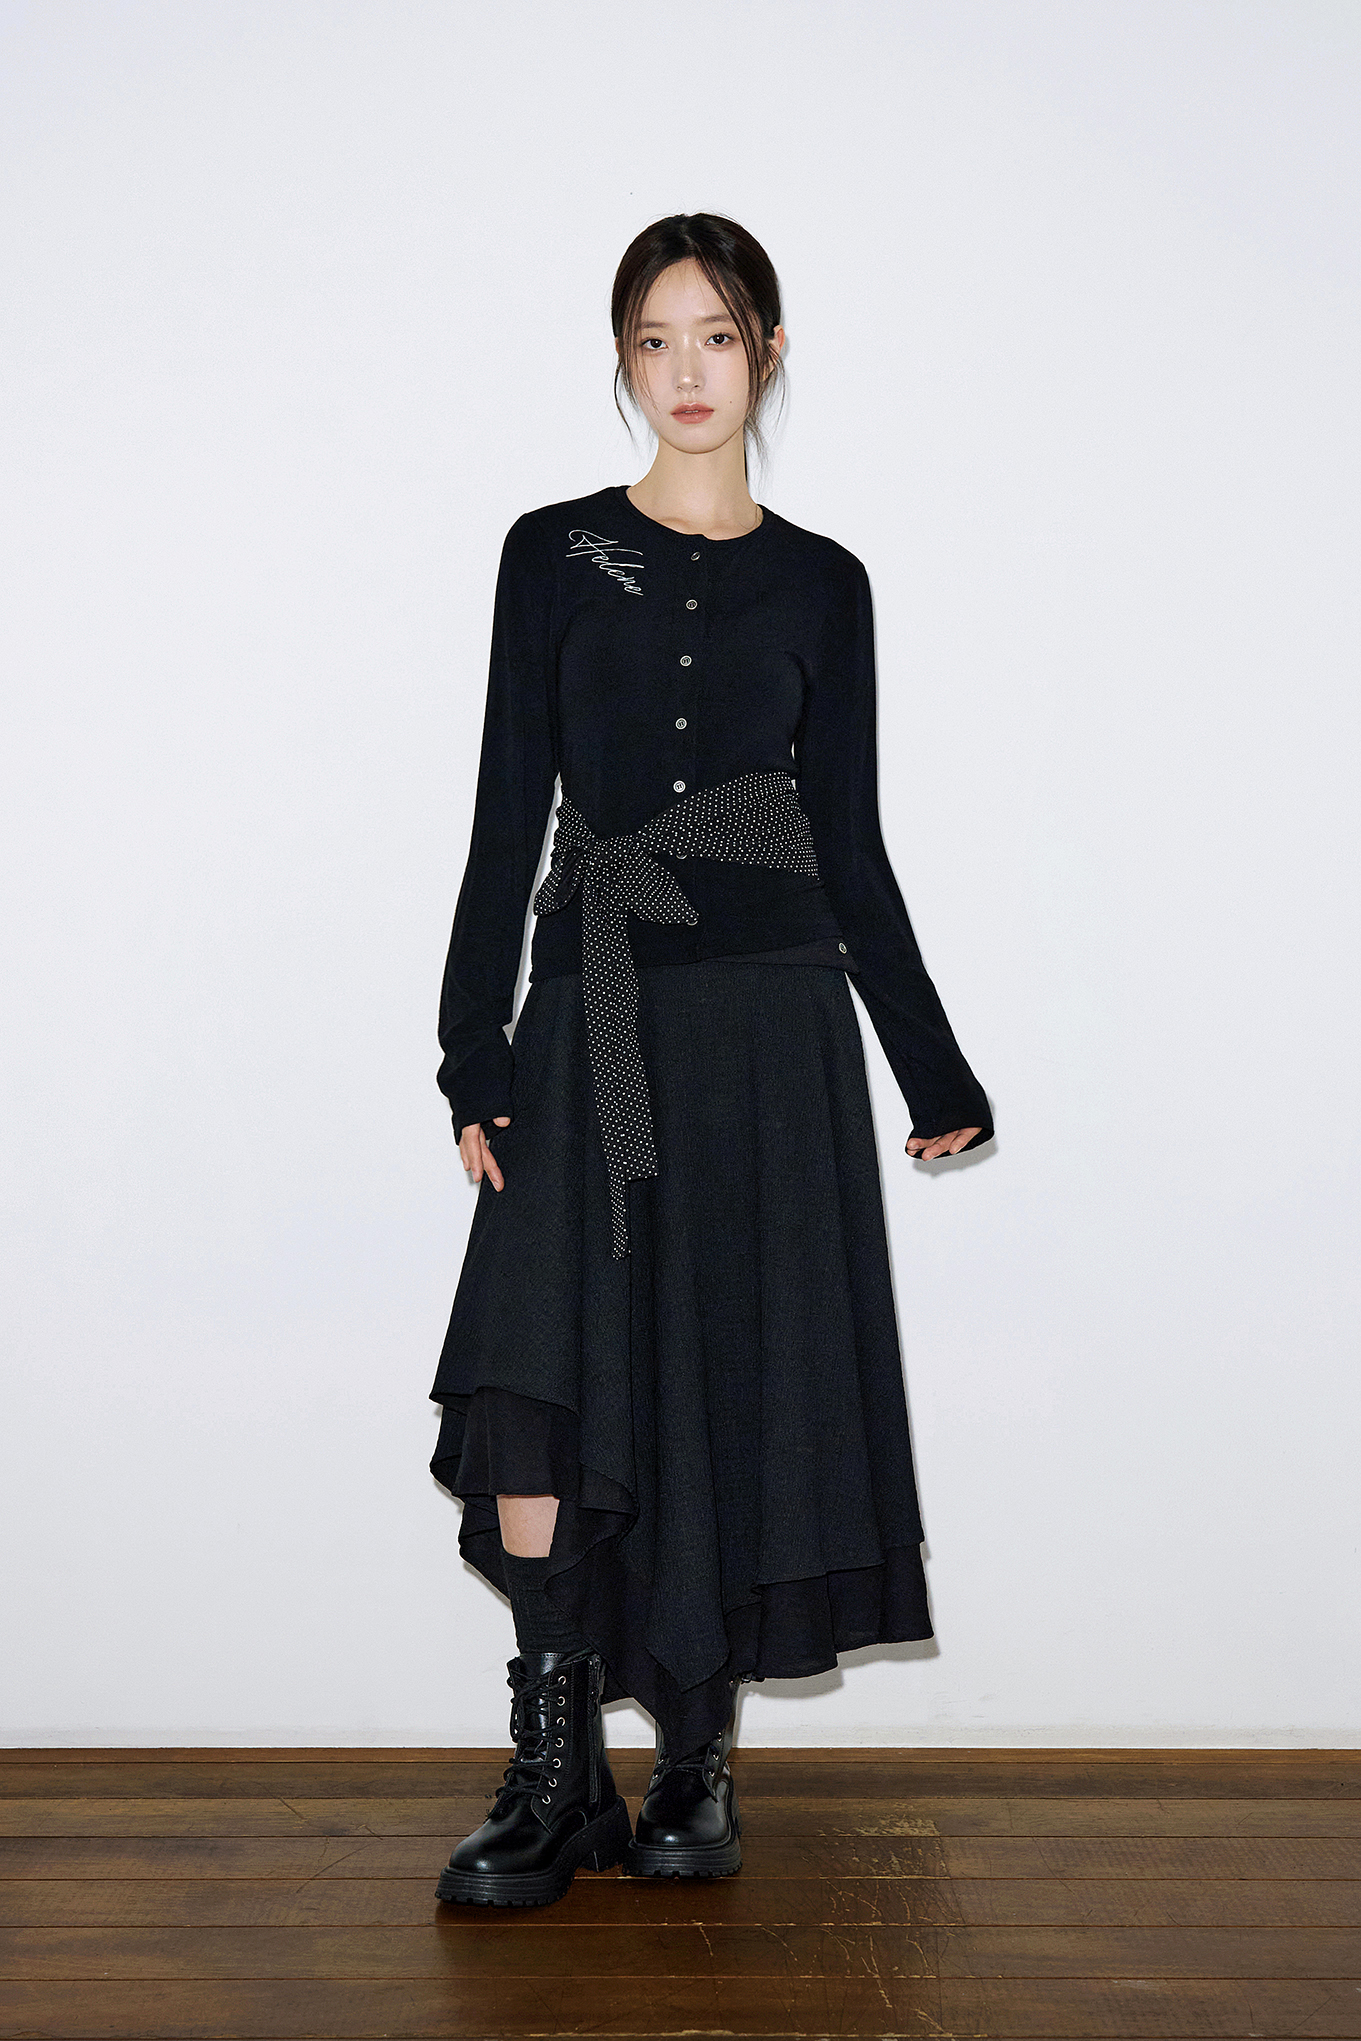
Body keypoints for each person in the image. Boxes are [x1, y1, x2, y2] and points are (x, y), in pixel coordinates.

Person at [429, 213, 992, 1909]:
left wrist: (931, 1066)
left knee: (732, 1384)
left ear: (767, 353)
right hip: (588, 1010)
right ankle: (554, 1774)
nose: (686, 371)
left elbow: (847, 835)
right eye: (654, 339)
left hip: (767, 1029)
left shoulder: (824, 581)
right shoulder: (551, 551)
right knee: (536, 1378)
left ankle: (692, 1761)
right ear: (620, 360)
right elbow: (502, 804)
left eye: (718, 336)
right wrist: (470, 1047)